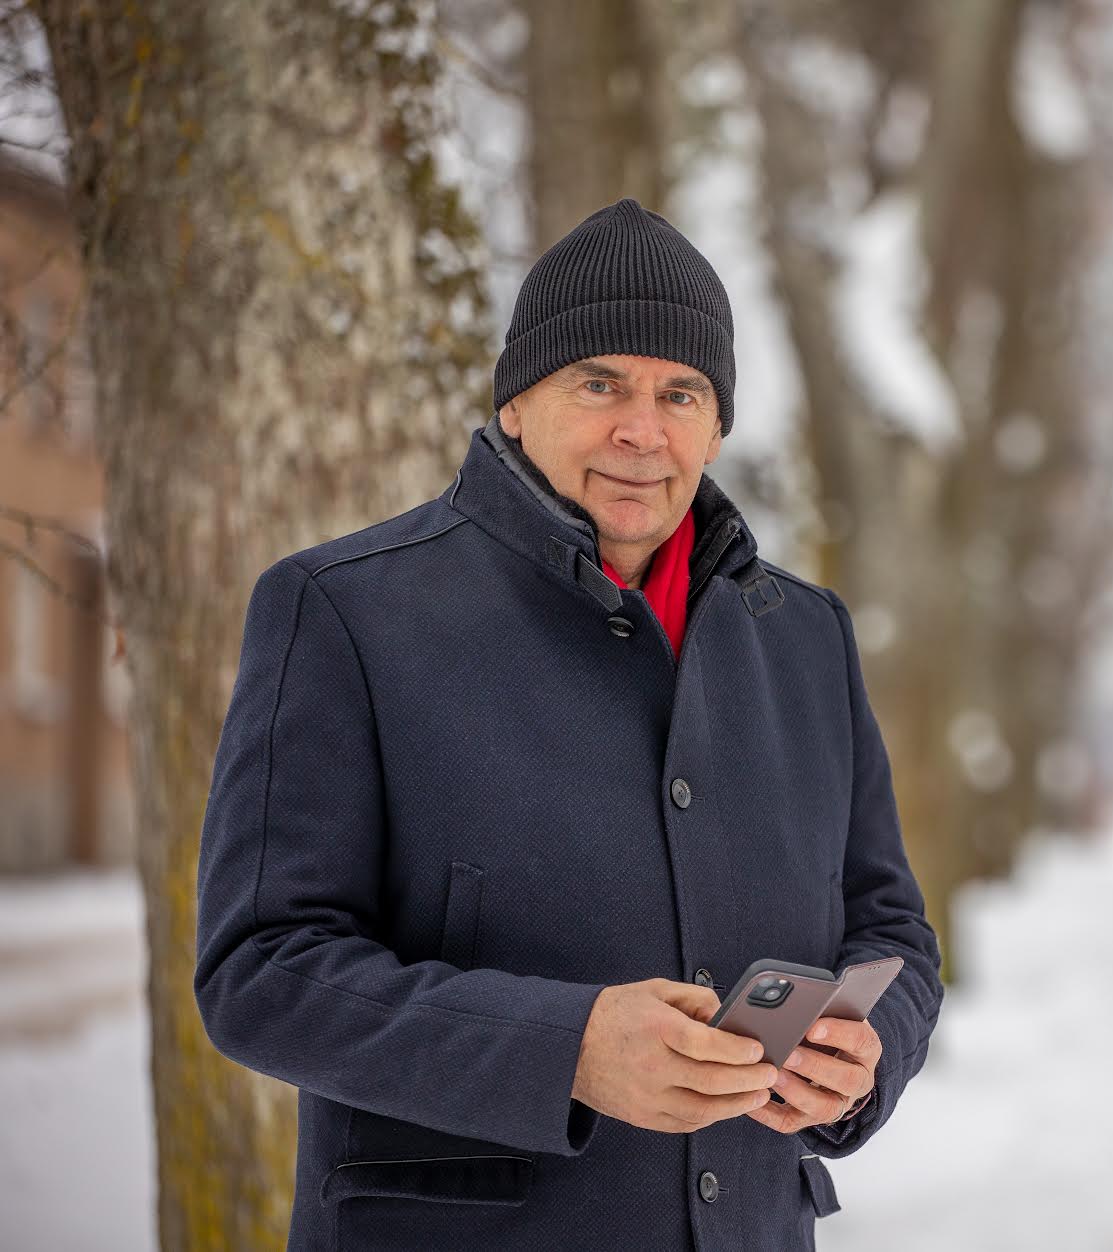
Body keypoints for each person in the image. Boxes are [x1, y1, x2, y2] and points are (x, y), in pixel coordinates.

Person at [193, 197, 944, 1251]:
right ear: (514, 401)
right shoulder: (343, 611)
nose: (644, 430)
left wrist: (868, 1055)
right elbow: (260, 972)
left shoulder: (808, 638)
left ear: (717, 424)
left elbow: (894, 929)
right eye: (601, 384)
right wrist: (568, 1048)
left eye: (681, 392)